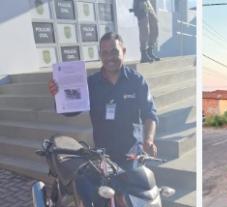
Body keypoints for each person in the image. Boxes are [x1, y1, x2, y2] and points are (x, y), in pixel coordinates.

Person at [48, 32, 158, 166]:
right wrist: (58, 95)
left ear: (123, 51)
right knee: (106, 188)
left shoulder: (137, 81)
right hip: (103, 157)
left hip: (133, 156)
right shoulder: (91, 84)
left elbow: (150, 113)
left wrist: (149, 139)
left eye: (114, 52)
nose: (109, 57)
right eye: (104, 53)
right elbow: (70, 110)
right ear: (100, 55)